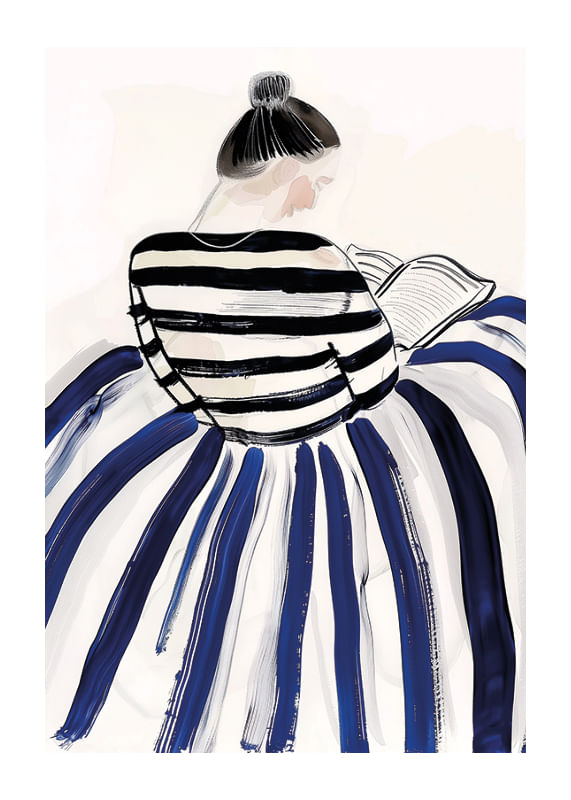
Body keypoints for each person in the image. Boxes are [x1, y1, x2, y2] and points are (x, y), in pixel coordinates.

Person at [45, 72, 526, 753]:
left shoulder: (150, 258)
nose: (315, 198)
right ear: (284, 172)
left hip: (222, 433)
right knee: (489, 362)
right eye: (316, 182)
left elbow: (168, 373)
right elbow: (374, 383)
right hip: (320, 441)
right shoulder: (320, 261)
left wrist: (236, 390)